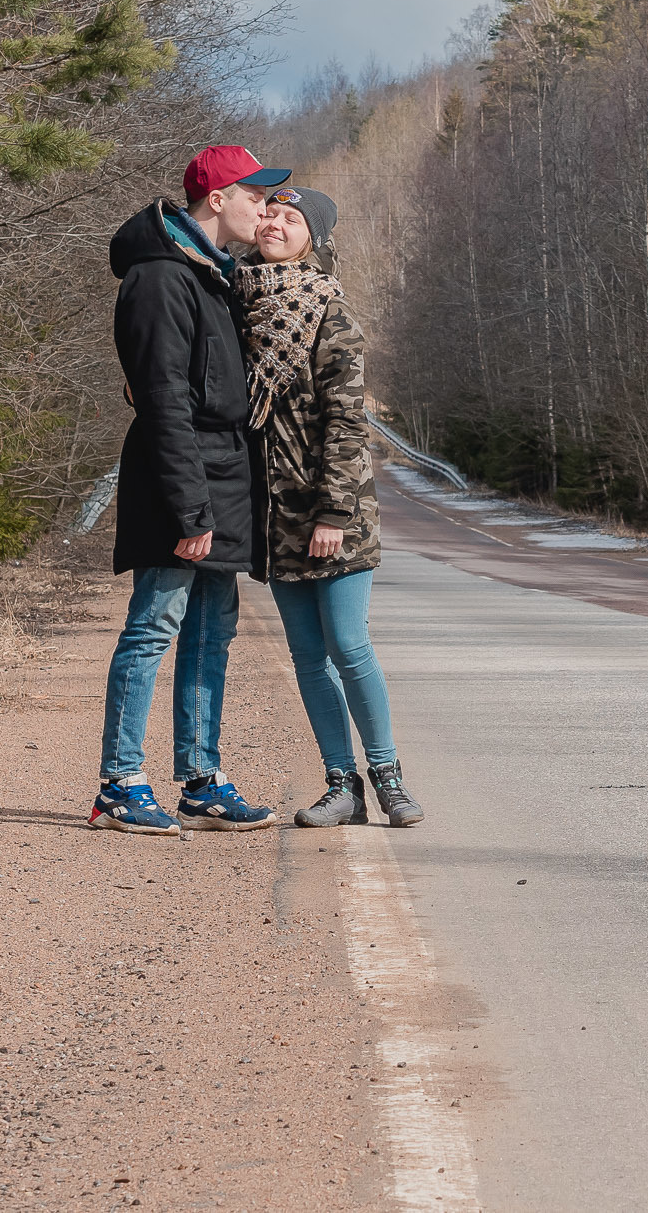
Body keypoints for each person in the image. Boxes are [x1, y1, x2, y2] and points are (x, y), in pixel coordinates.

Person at [91, 146, 291, 836]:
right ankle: (120, 785)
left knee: (211, 632)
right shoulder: (158, 277)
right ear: (217, 199)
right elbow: (163, 401)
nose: (265, 208)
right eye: (255, 195)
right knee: (154, 627)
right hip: (180, 477)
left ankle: (201, 781)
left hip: (225, 473)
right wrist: (189, 508)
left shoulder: (216, 274)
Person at [238, 188, 423, 827]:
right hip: (275, 515)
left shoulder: (327, 310)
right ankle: (342, 786)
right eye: (270, 214)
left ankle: (389, 778)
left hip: (334, 513)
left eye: (291, 219)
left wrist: (333, 514)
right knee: (307, 657)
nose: (275, 224)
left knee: (348, 644)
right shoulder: (238, 302)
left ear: (313, 238)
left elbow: (347, 423)